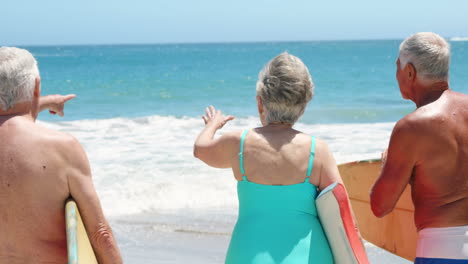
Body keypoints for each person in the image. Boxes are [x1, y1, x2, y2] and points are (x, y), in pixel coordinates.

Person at [194, 52, 343, 263]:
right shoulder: (317, 151)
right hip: (310, 256)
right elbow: (340, 211)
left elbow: (200, 149)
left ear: (260, 103)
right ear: (303, 105)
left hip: (249, 254)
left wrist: (212, 126)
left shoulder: (239, 143)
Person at [0, 47, 122, 264]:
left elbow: (8, 115)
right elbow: (100, 234)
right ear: (36, 86)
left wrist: (46, 102)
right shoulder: (62, 148)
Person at [370, 32, 468, 263]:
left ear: (410, 72)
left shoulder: (412, 127)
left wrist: (387, 165)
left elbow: (380, 206)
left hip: (442, 251)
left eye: (397, 67)